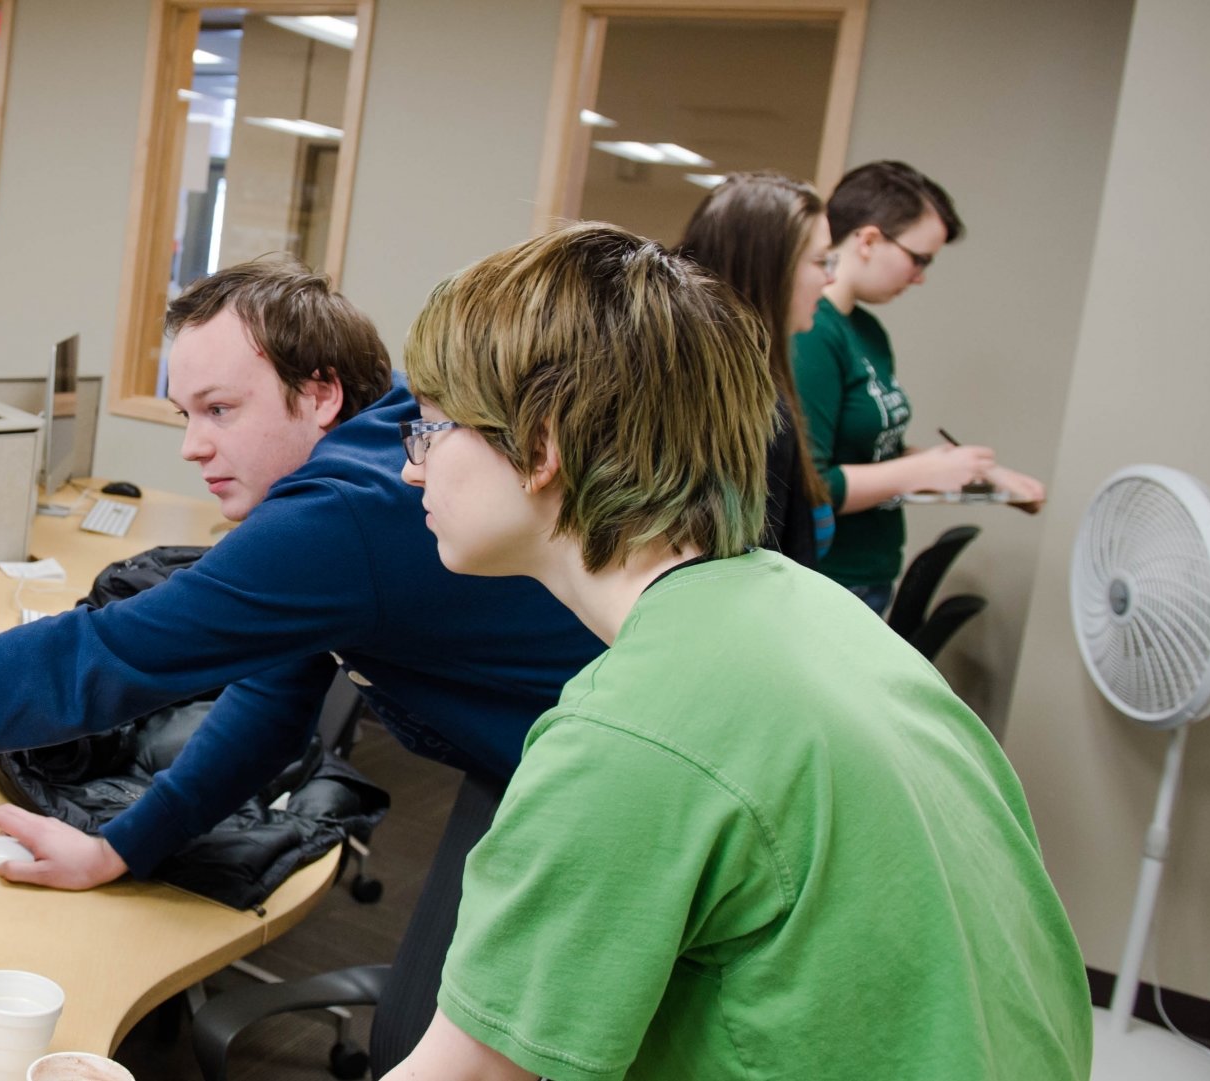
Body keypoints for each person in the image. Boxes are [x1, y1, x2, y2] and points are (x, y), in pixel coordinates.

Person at [0, 255, 602, 1071]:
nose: (193, 446)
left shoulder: (342, 513)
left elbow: (94, 661)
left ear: (321, 392)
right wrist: (120, 847)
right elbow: (274, 702)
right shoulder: (363, 468)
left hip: (596, 781)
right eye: (187, 412)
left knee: (438, 1041)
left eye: (221, 409)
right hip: (531, 755)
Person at [384, 223, 1090, 1080]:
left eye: (429, 430)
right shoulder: (816, 613)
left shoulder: (632, 733)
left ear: (539, 446)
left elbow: (469, 1073)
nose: (412, 470)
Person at [793, 160, 1046, 612]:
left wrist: (975, 473)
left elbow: (874, 453)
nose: (921, 277)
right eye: (919, 259)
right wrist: (924, 472)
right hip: (829, 579)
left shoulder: (867, 330)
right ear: (869, 240)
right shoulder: (814, 332)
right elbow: (810, 484)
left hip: (870, 573)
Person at [677, 170, 836, 567]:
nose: (830, 278)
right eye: (820, 261)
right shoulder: (736, 408)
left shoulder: (752, 385)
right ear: (769, 269)